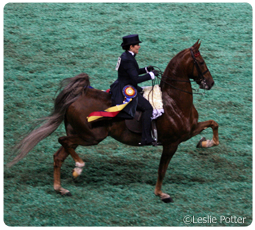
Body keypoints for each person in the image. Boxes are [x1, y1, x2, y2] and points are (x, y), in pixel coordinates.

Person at [110, 34, 159, 146]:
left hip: (124, 84)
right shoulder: (128, 59)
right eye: (137, 45)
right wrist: (151, 75)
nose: (139, 47)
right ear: (131, 46)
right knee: (147, 108)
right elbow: (135, 78)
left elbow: (132, 72)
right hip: (126, 88)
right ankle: (146, 137)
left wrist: (146, 69)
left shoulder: (126, 56)